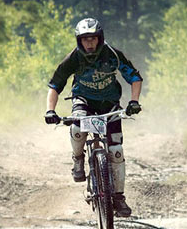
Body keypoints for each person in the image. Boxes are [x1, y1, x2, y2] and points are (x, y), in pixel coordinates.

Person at [44, 17, 142, 217]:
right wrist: (50, 110)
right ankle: (78, 159)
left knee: (116, 151)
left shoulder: (113, 54)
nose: (89, 43)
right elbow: (55, 85)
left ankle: (118, 197)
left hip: (109, 104)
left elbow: (134, 77)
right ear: (79, 41)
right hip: (83, 102)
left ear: (100, 38)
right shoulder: (73, 58)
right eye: (85, 39)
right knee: (77, 129)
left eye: (93, 39)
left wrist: (134, 101)